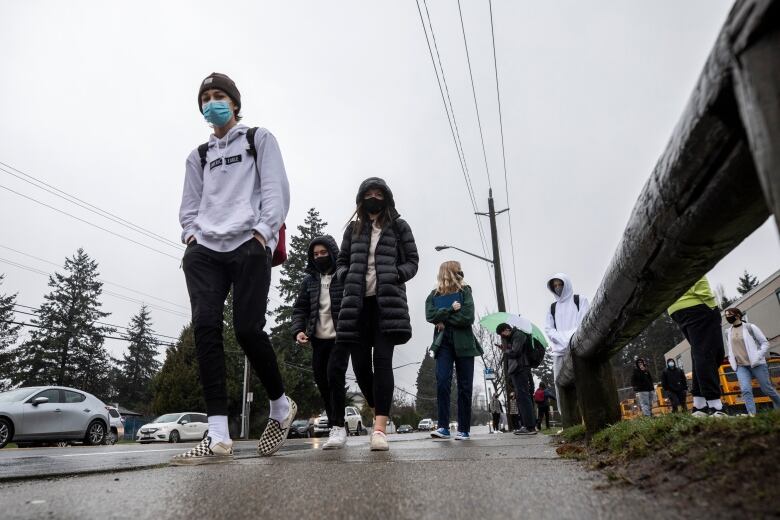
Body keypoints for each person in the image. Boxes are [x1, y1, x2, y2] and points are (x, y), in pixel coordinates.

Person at [174, 73, 294, 464]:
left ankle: (280, 405)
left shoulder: (258, 139)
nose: (213, 102)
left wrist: (263, 232)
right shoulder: (199, 155)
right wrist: (191, 237)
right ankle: (218, 434)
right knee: (205, 329)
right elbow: (189, 205)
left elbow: (276, 189)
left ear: (235, 103)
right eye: (206, 98)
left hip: (248, 243)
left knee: (246, 330)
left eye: (219, 95)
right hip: (205, 250)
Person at [335, 177, 419, 451]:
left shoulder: (399, 227)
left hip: (387, 305)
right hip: (357, 306)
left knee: (382, 361)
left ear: (387, 197)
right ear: (361, 198)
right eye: (369, 193)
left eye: (378, 193)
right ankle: (377, 406)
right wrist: (345, 275)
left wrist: (396, 274)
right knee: (360, 367)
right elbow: (341, 262)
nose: (374, 197)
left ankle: (379, 429)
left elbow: (413, 261)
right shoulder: (352, 230)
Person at [291, 235, 347, 449]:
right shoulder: (309, 281)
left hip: (340, 338)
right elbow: (300, 309)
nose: (320, 257)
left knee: (335, 376)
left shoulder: (343, 276)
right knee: (322, 381)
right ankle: (335, 424)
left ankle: (338, 427)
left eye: (324, 253)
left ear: (332, 253)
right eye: (315, 254)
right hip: (318, 340)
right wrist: (298, 330)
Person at [426, 261, 483, 441]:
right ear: (448, 271)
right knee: (442, 381)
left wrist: (443, 317)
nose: (460, 272)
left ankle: (463, 429)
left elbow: (468, 317)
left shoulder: (466, 291)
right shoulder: (434, 294)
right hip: (443, 343)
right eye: (457, 269)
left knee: (465, 386)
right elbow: (430, 316)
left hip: (464, 342)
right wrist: (450, 310)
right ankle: (443, 427)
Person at [668, 277, 727, 417]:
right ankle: (715, 405)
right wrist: (712, 305)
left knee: (699, 352)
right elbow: (696, 274)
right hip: (697, 304)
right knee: (711, 353)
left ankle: (699, 405)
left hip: (676, 307)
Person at [724, 308, 780, 416]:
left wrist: (758, 355)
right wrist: (732, 360)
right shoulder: (728, 332)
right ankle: (752, 415)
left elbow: (765, 343)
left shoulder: (750, 327)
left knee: (767, 389)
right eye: (726, 315)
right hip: (741, 366)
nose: (727, 317)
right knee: (745, 390)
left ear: (737, 315)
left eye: (729, 314)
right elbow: (730, 348)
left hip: (757, 364)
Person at [544, 274, 590, 400]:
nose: (558, 288)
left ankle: (585, 415)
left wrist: (568, 339)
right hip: (559, 353)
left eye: (560, 284)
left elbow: (584, 323)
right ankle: (566, 417)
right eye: (555, 286)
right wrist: (565, 340)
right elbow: (549, 329)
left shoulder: (580, 300)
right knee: (560, 385)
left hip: (579, 349)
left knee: (582, 381)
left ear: (566, 284)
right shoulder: (552, 307)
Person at [496, 323, 537, 435]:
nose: (502, 336)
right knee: (521, 398)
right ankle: (526, 425)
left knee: (524, 397)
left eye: (502, 333)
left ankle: (530, 427)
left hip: (520, 368)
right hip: (517, 369)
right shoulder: (514, 337)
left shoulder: (518, 335)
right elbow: (514, 350)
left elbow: (516, 352)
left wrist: (506, 350)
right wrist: (505, 348)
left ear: (506, 329)